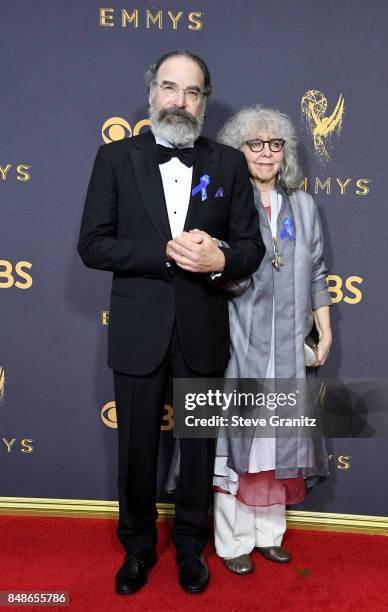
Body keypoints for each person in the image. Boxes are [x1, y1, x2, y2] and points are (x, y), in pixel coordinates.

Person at [77, 51, 265, 595]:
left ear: (204, 100)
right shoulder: (115, 158)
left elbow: (251, 248)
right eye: (170, 87)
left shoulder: (228, 163)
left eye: (192, 92)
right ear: (152, 91)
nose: (180, 101)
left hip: (203, 331)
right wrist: (164, 254)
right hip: (138, 331)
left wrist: (222, 259)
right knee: (136, 448)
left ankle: (189, 546)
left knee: (199, 447)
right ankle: (136, 549)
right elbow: (92, 244)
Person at [213, 106, 333, 574]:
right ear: (238, 151)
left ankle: (269, 535)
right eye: (255, 144)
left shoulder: (303, 205)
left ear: (286, 153)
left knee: (278, 442)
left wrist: (324, 328)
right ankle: (232, 541)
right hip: (241, 346)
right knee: (240, 441)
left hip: (288, 350)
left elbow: (318, 271)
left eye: (276, 144)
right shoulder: (224, 205)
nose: (267, 153)